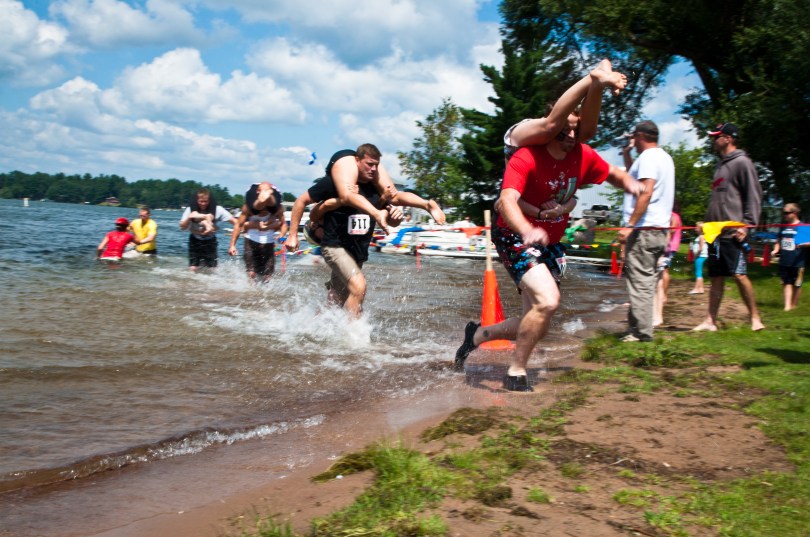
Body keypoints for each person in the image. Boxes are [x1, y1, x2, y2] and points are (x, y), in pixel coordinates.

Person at [454, 111, 643, 391]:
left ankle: (478, 335)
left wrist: (631, 183)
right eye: (562, 131)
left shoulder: (583, 155)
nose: (569, 137)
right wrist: (528, 228)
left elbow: (611, 174)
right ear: (549, 130)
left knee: (538, 317)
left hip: (550, 244)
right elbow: (505, 201)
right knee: (548, 301)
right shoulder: (526, 156)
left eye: (574, 131)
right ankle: (516, 371)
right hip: (515, 236)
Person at [287, 145, 403, 317]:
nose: (373, 169)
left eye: (376, 165)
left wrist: (395, 211)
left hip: (357, 252)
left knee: (336, 299)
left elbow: (386, 215)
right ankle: (354, 338)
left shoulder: (377, 190)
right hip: (334, 247)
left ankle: (312, 325)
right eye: (369, 164)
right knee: (359, 286)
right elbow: (301, 201)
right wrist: (292, 235)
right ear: (357, 161)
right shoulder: (335, 182)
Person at [693, 123, 764, 331]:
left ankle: (755, 318)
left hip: (735, 232)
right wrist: (705, 225)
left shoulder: (743, 163)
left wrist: (747, 226)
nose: (713, 140)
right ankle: (710, 321)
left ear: (728, 138)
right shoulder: (719, 166)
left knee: (739, 275)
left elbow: (754, 196)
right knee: (716, 277)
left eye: (716, 137)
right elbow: (717, 201)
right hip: (715, 233)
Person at [617, 120, 675, 341]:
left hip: (644, 229)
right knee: (645, 280)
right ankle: (636, 328)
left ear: (640, 135)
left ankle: (642, 333)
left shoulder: (649, 158)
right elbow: (634, 178)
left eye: (634, 137)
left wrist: (630, 225)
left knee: (640, 281)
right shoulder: (664, 158)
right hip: (658, 229)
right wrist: (626, 154)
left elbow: (646, 192)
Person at [503, 58, 627, 160]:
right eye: (566, 129)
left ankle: (597, 83)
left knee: (586, 133)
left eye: (575, 130)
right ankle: (594, 76)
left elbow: (584, 130)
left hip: (547, 133)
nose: (572, 135)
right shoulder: (546, 130)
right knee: (551, 128)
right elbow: (552, 125)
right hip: (517, 140)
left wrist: (598, 86)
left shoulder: (565, 140)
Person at [228, 182, 288, 282]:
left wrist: (282, 236)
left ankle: (264, 296)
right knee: (251, 274)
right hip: (251, 241)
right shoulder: (248, 207)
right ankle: (251, 295)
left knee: (267, 277)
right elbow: (238, 225)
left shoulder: (277, 208)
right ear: (258, 193)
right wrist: (232, 245)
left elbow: (284, 224)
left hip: (268, 243)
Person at [179, 189, 238, 272]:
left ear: (209, 200)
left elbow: (235, 222)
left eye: (205, 201)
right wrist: (189, 218)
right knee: (193, 268)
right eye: (201, 201)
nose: (203, 204)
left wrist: (234, 242)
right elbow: (182, 227)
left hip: (210, 241)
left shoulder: (218, 209)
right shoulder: (190, 209)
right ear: (197, 201)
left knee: (212, 269)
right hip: (195, 240)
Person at [771, 203, 806, 311]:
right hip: (784, 261)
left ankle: (793, 306)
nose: (784, 215)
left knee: (796, 285)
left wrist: (802, 244)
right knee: (786, 283)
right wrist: (776, 249)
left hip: (798, 262)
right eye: (783, 213)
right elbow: (778, 241)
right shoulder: (783, 227)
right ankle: (787, 306)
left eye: (786, 213)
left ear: (794, 213)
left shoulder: (803, 227)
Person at [653, 202, 682, 327]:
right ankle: (663, 295)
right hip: (671, 248)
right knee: (664, 270)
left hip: (668, 248)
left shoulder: (673, 216)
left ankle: (663, 295)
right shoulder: (676, 216)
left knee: (663, 271)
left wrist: (664, 247)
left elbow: (670, 231)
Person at [688, 222, 709, 294]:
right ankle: (701, 288)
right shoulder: (701, 236)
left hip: (700, 256)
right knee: (699, 272)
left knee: (698, 273)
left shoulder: (701, 237)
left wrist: (696, 255)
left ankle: (696, 289)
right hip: (701, 256)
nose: (695, 228)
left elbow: (700, 248)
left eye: (696, 227)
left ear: (700, 229)